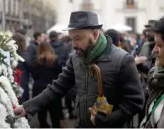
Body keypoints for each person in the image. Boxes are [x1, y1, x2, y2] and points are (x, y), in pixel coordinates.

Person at [14, 11, 145, 128]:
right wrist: (27, 107)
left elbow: (135, 101)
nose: (73, 45)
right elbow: (57, 87)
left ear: (94, 35)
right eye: (72, 38)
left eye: (77, 38)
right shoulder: (75, 58)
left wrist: (108, 120)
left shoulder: (123, 60)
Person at [31, 41, 63, 128]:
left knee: (42, 113)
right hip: (53, 88)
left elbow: (34, 75)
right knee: (55, 113)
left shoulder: (35, 61)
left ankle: (44, 125)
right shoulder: (55, 59)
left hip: (38, 89)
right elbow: (60, 73)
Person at [12, 33, 30, 103]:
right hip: (22, 82)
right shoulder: (24, 54)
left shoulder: (10, 54)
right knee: (23, 104)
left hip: (13, 82)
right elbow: (30, 66)